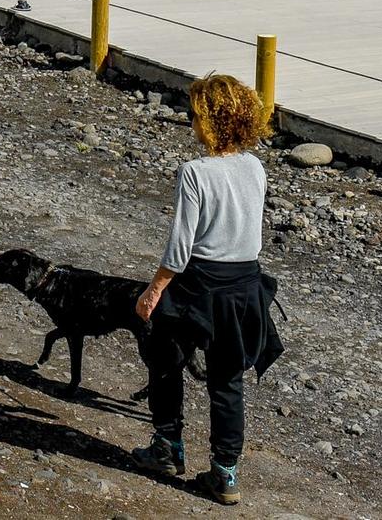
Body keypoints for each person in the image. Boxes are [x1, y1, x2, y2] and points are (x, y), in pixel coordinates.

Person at [132, 73, 283, 506]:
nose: (190, 120)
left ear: (210, 120)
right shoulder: (255, 167)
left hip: (199, 284)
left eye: (194, 113)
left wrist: (154, 290)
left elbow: (180, 247)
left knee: (164, 355)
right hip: (245, 286)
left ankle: (167, 447)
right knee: (227, 380)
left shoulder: (195, 173)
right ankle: (225, 474)